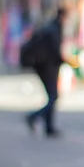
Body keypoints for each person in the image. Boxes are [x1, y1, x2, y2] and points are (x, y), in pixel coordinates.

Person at [24, 8, 67, 138]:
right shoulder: (54, 29)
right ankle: (34, 116)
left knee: (51, 96)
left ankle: (48, 127)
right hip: (47, 67)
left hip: (43, 66)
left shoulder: (50, 27)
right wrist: (63, 60)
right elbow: (54, 50)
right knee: (53, 96)